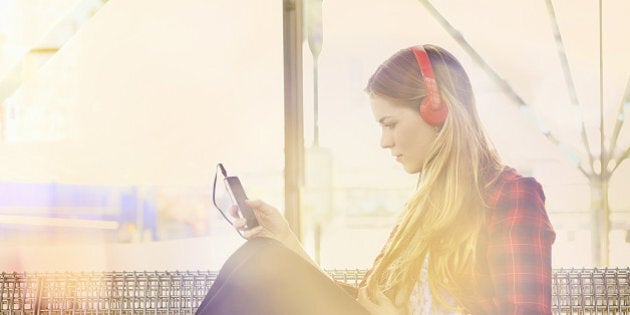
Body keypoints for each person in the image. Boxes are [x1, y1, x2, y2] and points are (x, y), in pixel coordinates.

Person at [196, 44, 556, 315]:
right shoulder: (422, 209)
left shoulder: (511, 198)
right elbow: (365, 302)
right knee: (263, 254)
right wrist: (287, 240)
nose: (384, 142)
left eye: (390, 124)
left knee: (264, 264)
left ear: (437, 109)